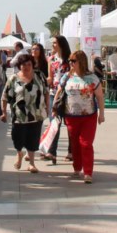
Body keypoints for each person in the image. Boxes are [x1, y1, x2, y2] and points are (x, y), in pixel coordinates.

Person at [52, 50, 106, 184]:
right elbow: (59, 92)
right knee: (75, 143)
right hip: (71, 116)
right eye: (70, 60)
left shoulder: (92, 77)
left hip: (89, 116)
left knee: (86, 143)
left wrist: (102, 114)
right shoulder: (66, 77)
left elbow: (99, 96)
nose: (71, 63)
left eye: (73, 61)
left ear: (81, 62)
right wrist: (54, 109)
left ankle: (88, 172)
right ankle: (77, 167)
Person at [1, 53, 49, 174]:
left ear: (33, 65)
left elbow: (46, 92)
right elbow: (5, 96)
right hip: (19, 115)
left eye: (29, 64)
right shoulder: (13, 78)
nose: (26, 67)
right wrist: (4, 113)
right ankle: (19, 153)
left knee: (33, 138)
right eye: (23, 64)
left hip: (37, 113)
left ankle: (31, 164)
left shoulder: (39, 75)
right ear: (19, 65)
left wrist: (47, 107)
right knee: (17, 137)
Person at [45, 35, 71, 163]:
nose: (53, 45)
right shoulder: (51, 59)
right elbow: (51, 76)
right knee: (54, 123)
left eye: (55, 43)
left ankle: (71, 151)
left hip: (68, 94)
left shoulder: (71, 59)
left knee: (70, 123)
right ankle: (52, 152)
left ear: (61, 44)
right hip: (53, 93)